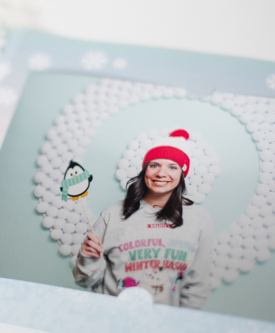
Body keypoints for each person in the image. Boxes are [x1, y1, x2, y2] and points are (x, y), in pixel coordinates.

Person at [73, 129, 214, 309]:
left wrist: (183, 326)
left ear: (182, 173)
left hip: (166, 327)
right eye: (154, 165)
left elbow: (197, 286)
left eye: (172, 167)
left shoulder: (199, 219)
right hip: (110, 319)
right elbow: (85, 280)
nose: (161, 173)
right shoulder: (112, 215)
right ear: (144, 170)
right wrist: (88, 257)